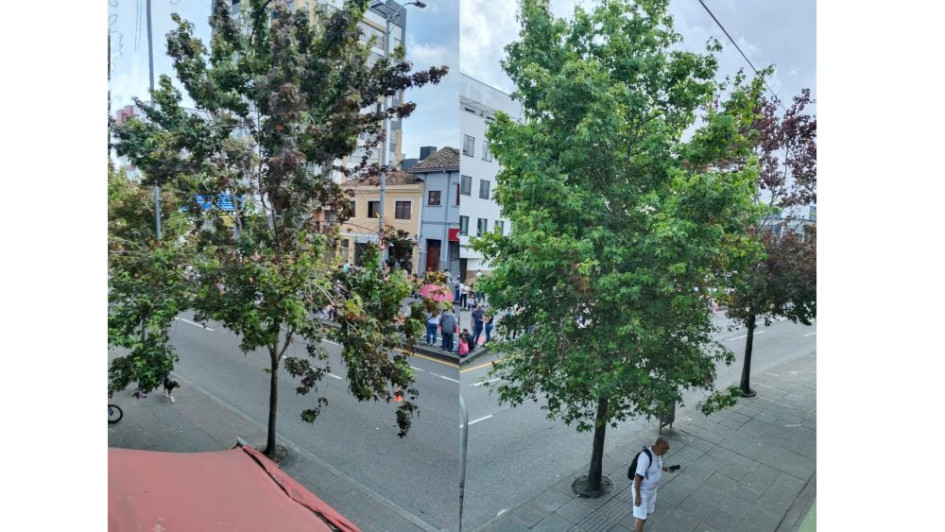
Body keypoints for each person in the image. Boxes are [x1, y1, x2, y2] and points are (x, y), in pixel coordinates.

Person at [632, 437, 677, 532]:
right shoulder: (645, 458)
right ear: (660, 448)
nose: (666, 452)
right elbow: (637, 477)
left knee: (646, 514)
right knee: (642, 517)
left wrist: (666, 469)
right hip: (642, 491)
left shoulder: (658, 454)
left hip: (652, 491)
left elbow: (657, 466)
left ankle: (636, 530)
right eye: (665, 450)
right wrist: (638, 496)